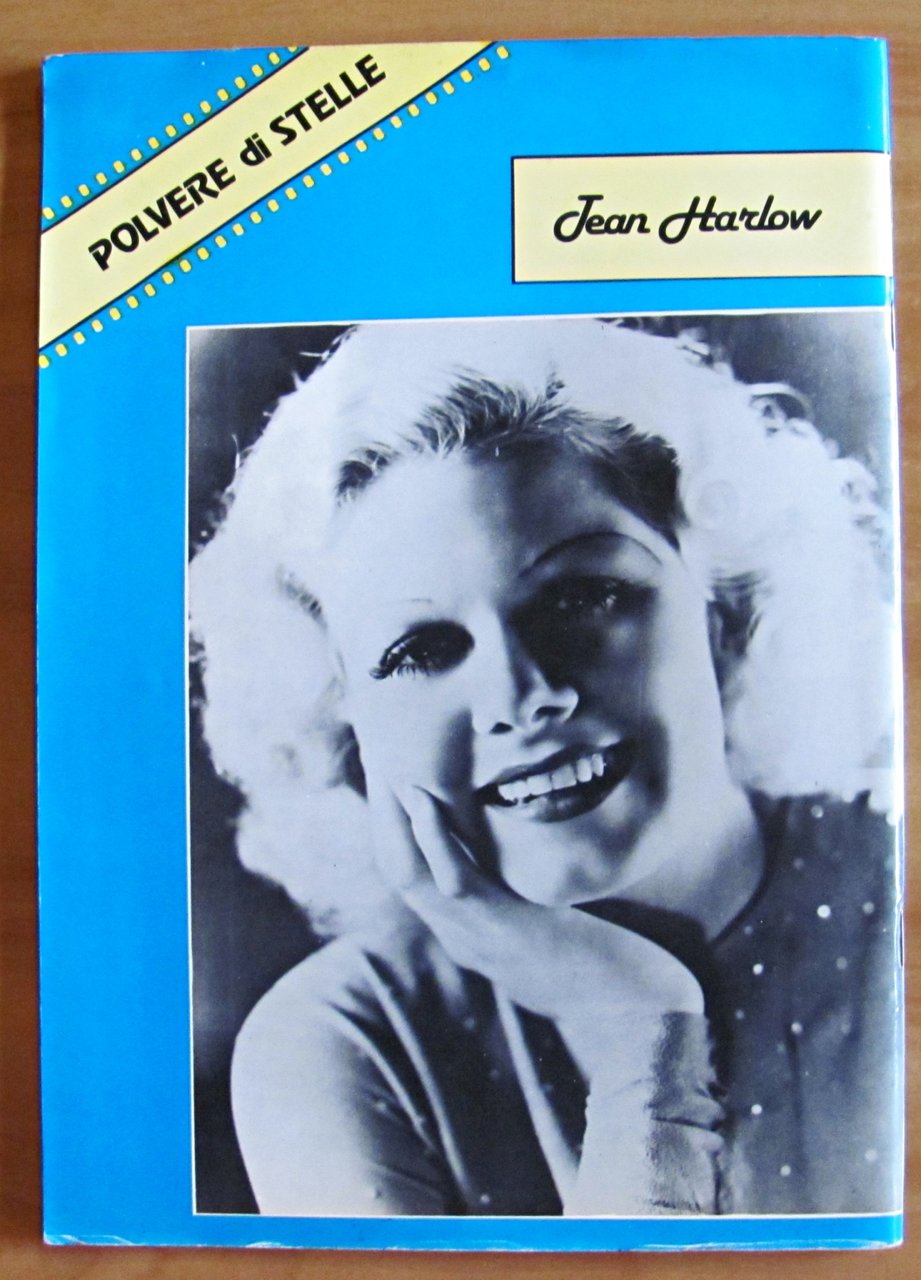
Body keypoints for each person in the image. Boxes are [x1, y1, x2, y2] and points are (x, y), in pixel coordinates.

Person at [189, 317, 901, 1218]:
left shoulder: (897, 901)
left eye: (582, 595)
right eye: (421, 649)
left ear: (726, 613)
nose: (521, 695)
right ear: (345, 723)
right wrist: (639, 1029)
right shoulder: (341, 1040)